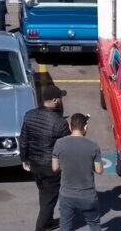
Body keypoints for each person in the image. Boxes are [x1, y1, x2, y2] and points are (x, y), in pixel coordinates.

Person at [20, 85, 70, 231]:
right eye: (60, 98)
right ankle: (41, 227)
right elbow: (67, 146)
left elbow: (23, 140)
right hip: (50, 167)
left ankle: (48, 221)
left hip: (34, 164)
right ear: (55, 100)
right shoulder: (60, 122)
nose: (61, 100)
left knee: (44, 194)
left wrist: (24, 159)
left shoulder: (29, 115)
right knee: (49, 199)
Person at [52, 113, 103, 231]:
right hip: (87, 195)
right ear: (85, 127)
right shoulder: (93, 146)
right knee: (94, 224)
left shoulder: (59, 143)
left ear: (70, 126)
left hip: (67, 194)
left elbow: (55, 168)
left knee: (65, 227)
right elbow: (99, 170)